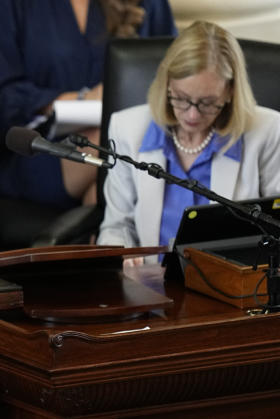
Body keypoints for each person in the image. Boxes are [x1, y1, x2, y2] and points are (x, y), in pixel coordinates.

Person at [98, 21, 280, 259]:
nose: (192, 115)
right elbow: (117, 226)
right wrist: (122, 257)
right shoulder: (128, 129)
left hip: (233, 283)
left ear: (230, 93)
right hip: (150, 282)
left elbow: (275, 225)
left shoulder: (267, 131)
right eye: (182, 99)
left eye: (207, 102)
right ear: (167, 85)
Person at [0, 0, 176, 209]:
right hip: (34, 151)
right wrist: (84, 99)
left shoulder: (151, 4)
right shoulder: (7, 5)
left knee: (106, 187)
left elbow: (172, 73)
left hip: (121, 154)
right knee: (120, 141)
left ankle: (97, 236)